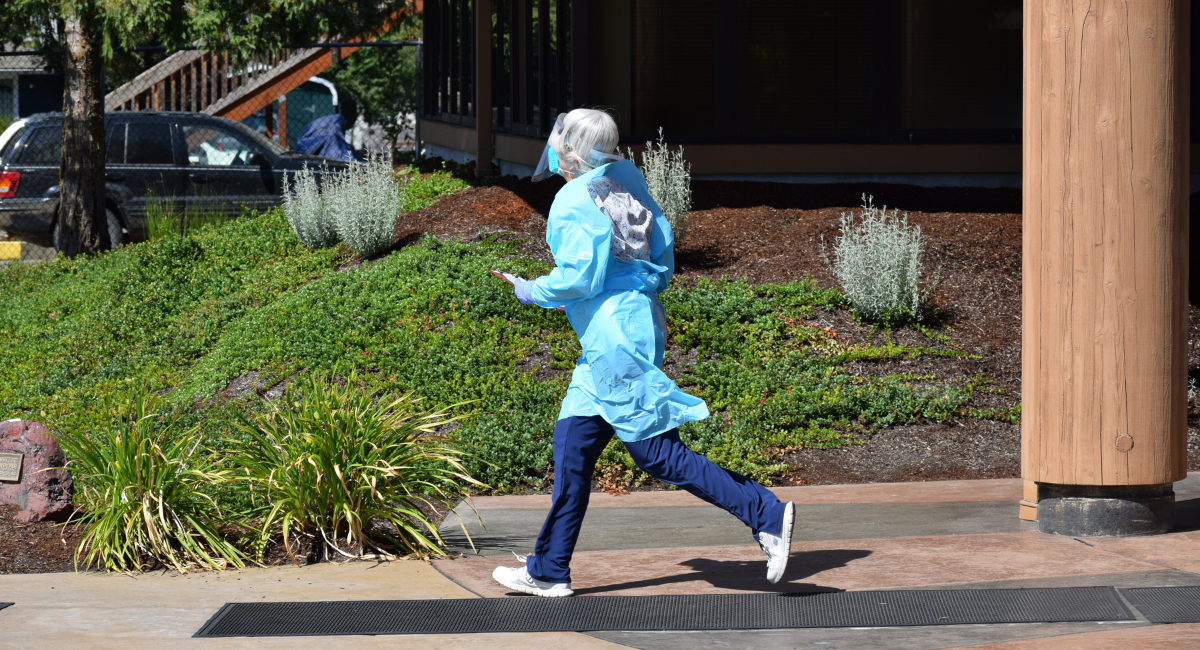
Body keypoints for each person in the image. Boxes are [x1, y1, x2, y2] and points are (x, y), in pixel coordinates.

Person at [491, 108, 794, 598]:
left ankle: (766, 512)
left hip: (612, 340)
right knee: (572, 446)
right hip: (633, 326)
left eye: (559, 141)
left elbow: (579, 278)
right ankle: (548, 569)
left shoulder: (572, 199)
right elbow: (662, 255)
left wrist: (530, 290)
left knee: (658, 454)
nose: (553, 149)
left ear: (570, 150)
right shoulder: (623, 184)